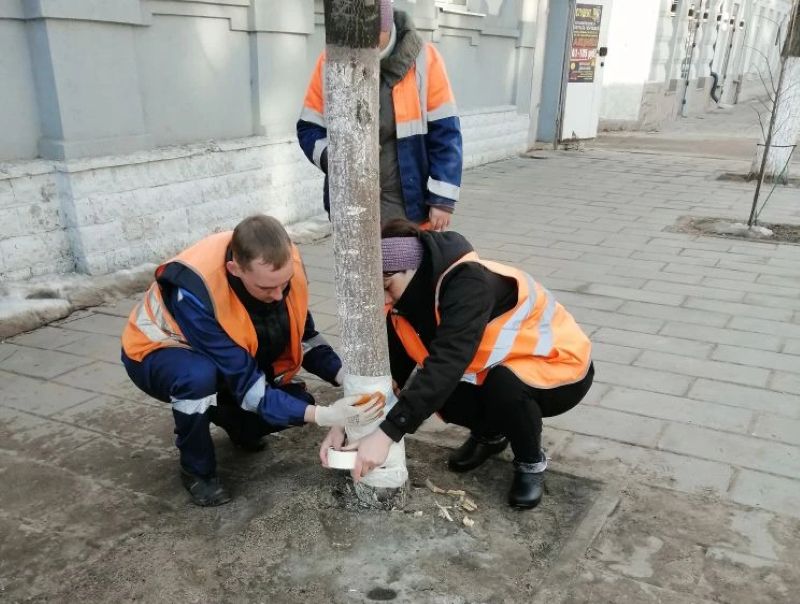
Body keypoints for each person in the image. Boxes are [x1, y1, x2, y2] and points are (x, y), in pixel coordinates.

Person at [320, 220, 594, 509]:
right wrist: (345, 422)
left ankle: (530, 462)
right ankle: (491, 435)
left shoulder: (467, 284)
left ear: (410, 268)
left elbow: (447, 363)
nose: (385, 300)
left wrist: (387, 434)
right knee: (439, 396)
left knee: (501, 385)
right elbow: (391, 376)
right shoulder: (404, 301)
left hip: (561, 368)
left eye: (387, 286)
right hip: (502, 366)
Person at [121, 215, 383, 507]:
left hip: (223, 358)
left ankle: (237, 425)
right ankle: (197, 469)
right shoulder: (196, 293)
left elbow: (304, 336)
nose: (278, 295)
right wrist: (324, 416)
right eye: (266, 288)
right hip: (156, 353)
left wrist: (345, 376)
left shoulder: (283, 268)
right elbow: (248, 385)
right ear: (235, 269)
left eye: (283, 285)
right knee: (200, 378)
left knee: (295, 399)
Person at [297, 0, 462, 230]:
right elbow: (309, 128)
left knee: (406, 264)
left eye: (371, 39)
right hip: (352, 203)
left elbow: (446, 134)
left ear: (387, 28)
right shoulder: (331, 61)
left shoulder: (426, 60)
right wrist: (334, 158)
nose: (362, 48)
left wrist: (442, 200)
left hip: (409, 204)